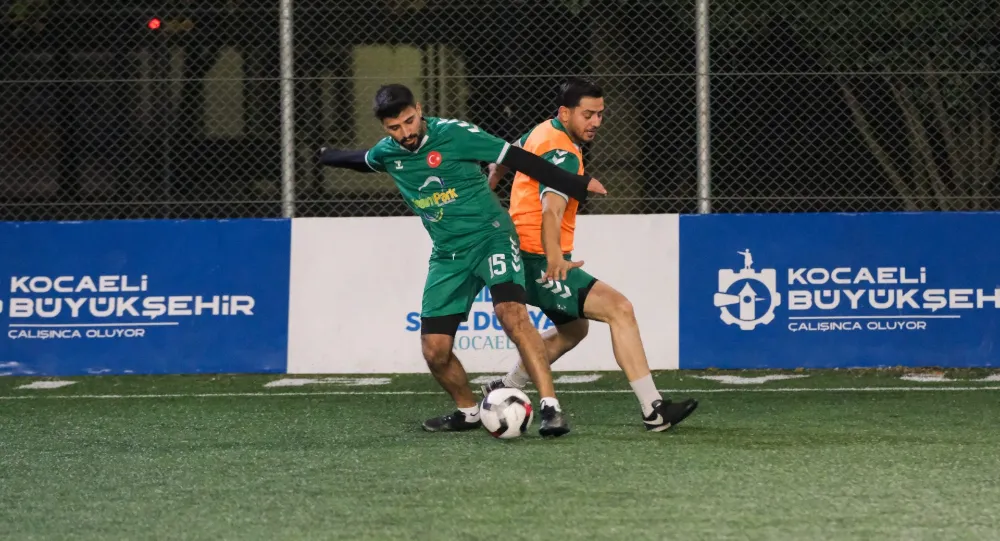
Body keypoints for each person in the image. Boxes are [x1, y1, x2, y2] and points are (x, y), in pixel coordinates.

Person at [318, 83, 607, 437]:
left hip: (491, 237)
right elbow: (362, 161)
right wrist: (326, 155)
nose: (405, 133)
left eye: (409, 121)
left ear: (419, 109)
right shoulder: (388, 152)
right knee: (434, 350)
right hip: (448, 255)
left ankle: (550, 408)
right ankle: (468, 411)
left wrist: (576, 182)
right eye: (395, 128)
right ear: (384, 128)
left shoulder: (455, 134)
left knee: (512, 315)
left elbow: (519, 159)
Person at [482, 78, 699, 432]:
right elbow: (551, 210)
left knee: (574, 330)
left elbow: (511, 151)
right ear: (565, 113)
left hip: (521, 252)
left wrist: (495, 174)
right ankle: (654, 410)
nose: (596, 122)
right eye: (588, 114)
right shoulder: (564, 154)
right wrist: (555, 257)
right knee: (620, 309)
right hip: (538, 261)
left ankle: (506, 386)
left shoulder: (543, 130)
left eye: (600, 114)